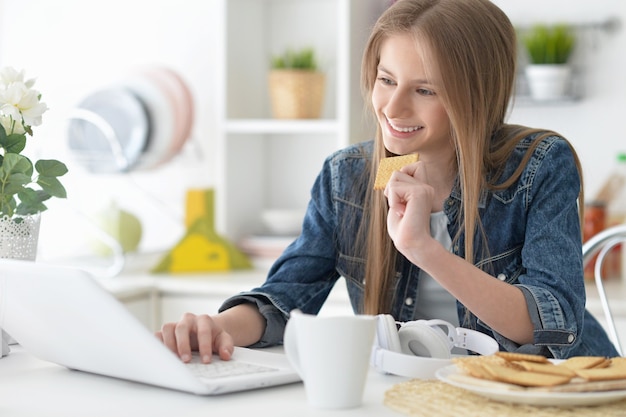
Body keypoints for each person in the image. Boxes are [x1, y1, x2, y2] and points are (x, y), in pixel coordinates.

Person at [157, 0, 619, 363]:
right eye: (386, 80)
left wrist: (423, 249)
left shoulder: (539, 165)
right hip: (418, 395)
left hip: (559, 393)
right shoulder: (349, 177)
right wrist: (215, 329)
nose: (393, 108)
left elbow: (551, 320)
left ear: (476, 95)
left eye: (425, 90)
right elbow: (284, 299)